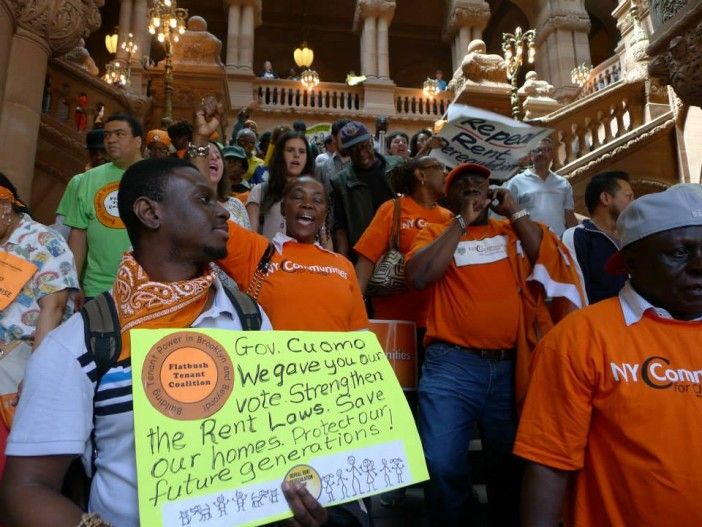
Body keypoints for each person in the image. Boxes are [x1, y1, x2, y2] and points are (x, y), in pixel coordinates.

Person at [0, 157, 270, 527]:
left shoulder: (248, 318)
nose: (223, 212)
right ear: (149, 212)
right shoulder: (81, 342)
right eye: (203, 200)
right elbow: (26, 488)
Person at [405, 163, 584, 526]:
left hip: (511, 367)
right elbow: (420, 275)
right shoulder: (438, 232)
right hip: (450, 367)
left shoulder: (511, 231)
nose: (472, 188)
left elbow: (545, 259)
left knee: (509, 466)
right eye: (463, 185)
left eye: (480, 183)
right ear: (448, 197)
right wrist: (460, 223)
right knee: (440, 462)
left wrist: (515, 211)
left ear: (492, 192)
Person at [516, 189, 702, 526]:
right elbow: (548, 464)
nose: (700, 265)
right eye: (679, 252)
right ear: (631, 261)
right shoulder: (578, 339)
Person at [0, 174, 79, 471]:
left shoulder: (43, 241)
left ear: (6, 206)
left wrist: (36, 373)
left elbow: (54, 308)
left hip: (25, 352)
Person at [354, 157, 452, 334]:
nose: (446, 172)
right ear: (420, 174)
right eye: (439, 167)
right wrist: (355, 306)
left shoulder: (449, 217)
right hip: (392, 322)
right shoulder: (392, 209)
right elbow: (366, 259)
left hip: (436, 323)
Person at [65, 113, 143, 303]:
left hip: (147, 286)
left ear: (138, 140)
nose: (111, 140)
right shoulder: (86, 179)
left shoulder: (158, 176)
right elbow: (78, 235)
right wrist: (74, 283)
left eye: (119, 134)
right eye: (107, 135)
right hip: (97, 289)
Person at [330, 121, 403, 259]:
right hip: (364, 254)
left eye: (364, 146)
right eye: (354, 150)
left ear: (370, 141)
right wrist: (342, 262)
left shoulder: (396, 166)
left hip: (399, 246)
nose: (362, 154)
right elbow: (341, 226)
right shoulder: (341, 182)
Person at [562, 171, 634, 303]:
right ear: (605, 198)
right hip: (602, 320)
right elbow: (578, 293)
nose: (633, 203)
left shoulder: (633, 237)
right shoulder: (578, 236)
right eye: (628, 196)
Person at [246, 131, 315, 240]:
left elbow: (325, 240)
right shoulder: (260, 191)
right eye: (290, 150)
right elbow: (250, 238)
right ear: (280, 155)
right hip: (269, 255)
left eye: (302, 151)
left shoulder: (315, 196)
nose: (296, 155)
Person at [503, 138, 578, 237]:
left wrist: (577, 240)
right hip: (531, 242)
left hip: (560, 242)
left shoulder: (563, 183)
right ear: (530, 155)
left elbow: (569, 216)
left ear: (552, 154)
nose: (541, 154)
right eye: (536, 150)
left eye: (546, 150)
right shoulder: (516, 182)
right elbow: (509, 215)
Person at [53, 129, 107, 239]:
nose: (99, 156)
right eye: (94, 152)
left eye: (103, 151)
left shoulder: (124, 178)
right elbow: (63, 223)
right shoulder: (78, 181)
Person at [199, 141, 250, 229]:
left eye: (218, 156)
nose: (214, 157)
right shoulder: (185, 205)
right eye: (206, 155)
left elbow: (249, 240)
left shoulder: (236, 205)